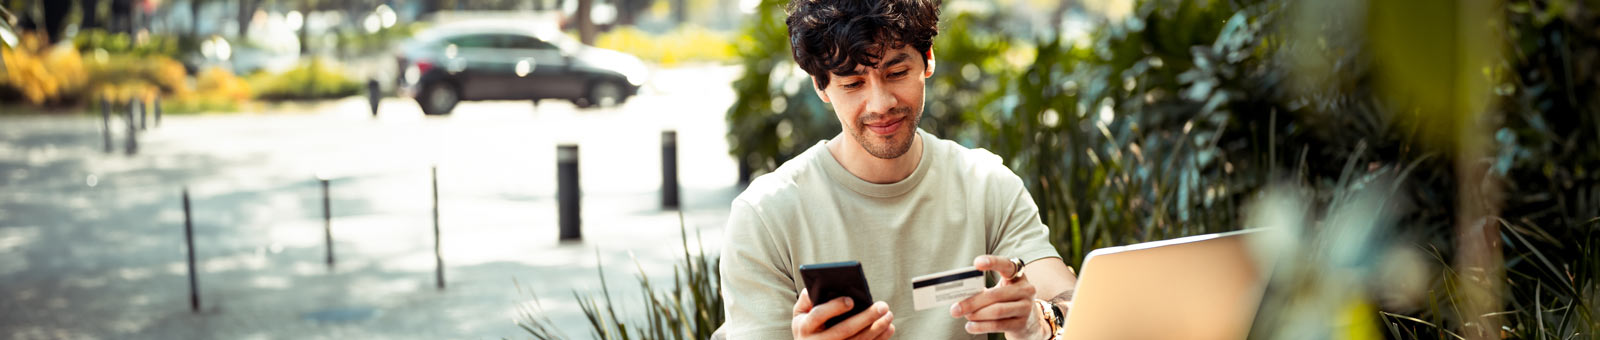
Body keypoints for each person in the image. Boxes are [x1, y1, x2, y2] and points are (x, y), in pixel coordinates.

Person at [718, 0, 1080, 339]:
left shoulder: (986, 184)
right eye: (853, 83)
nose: (881, 104)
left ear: (927, 60)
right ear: (821, 86)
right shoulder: (765, 215)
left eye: (897, 72)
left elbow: (1073, 304)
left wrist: (1040, 319)